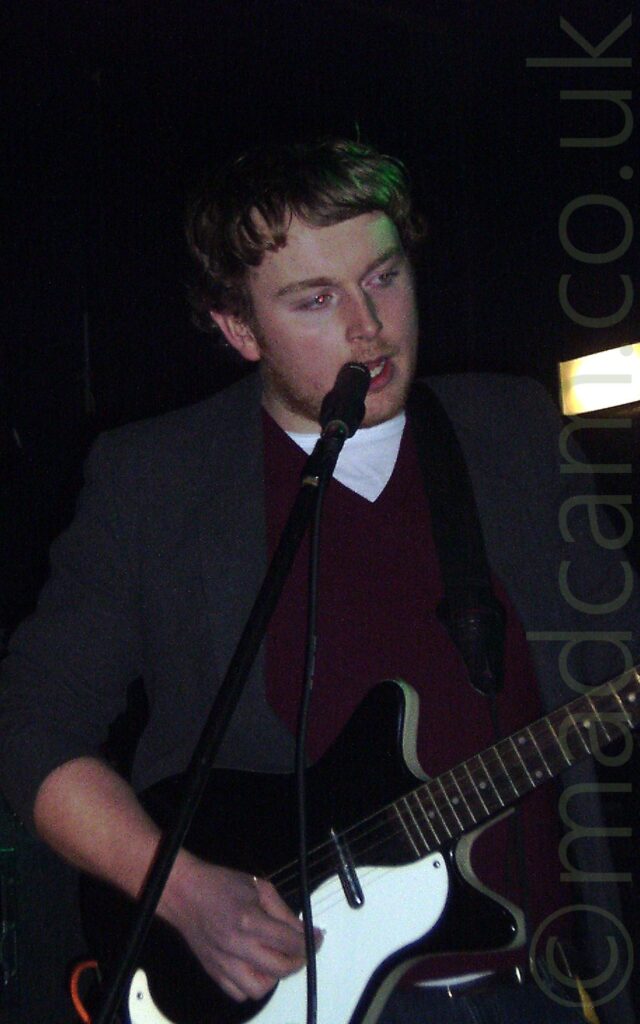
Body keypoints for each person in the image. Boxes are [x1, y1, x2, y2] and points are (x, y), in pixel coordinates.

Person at [0, 138, 637, 1024]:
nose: (366, 326)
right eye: (315, 299)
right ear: (237, 328)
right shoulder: (156, 479)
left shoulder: (514, 432)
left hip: (540, 982)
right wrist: (180, 891)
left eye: (383, 276)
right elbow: (30, 724)